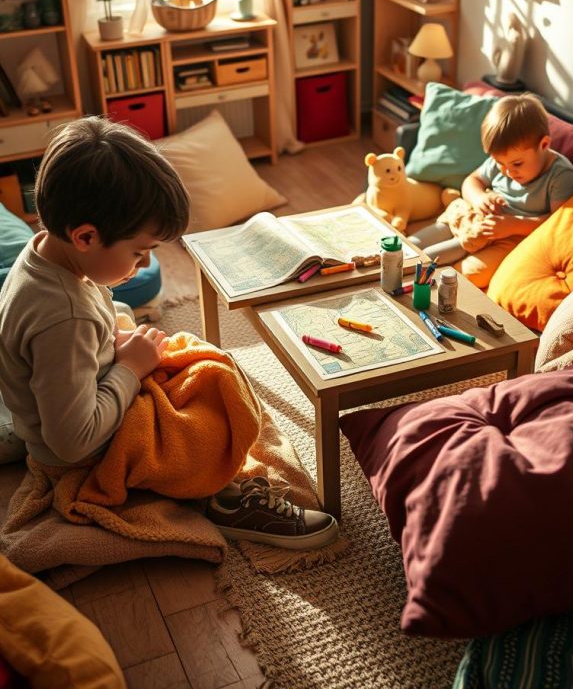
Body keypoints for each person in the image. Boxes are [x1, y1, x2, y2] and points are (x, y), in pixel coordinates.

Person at [0, 117, 337, 550]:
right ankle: (222, 499)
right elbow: (71, 441)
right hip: (85, 456)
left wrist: (118, 351)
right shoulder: (63, 317)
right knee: (206, 428)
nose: (142, 266)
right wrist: (129, 369)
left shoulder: (47, 257)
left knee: (206, 365)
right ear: (85, 236)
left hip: (98, 390)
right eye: (139, 253)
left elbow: (81, 337)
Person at [409, 94, 573, 289]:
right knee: (419, 241)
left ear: (544, 145)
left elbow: (557, 225)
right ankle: (406, 256)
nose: (507, 171)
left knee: (475, 273)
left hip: (511, 236)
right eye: (500, 163)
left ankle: (434, 282)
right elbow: (471, 181)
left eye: (516, 164)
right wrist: (479, 197)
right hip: (474, 216)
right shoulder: (504, 161)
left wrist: (514, 225)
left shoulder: (561, 176)